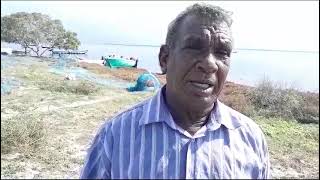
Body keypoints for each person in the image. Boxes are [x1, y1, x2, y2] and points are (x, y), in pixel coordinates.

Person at [81, 3, 270, 179]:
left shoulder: (250, 138)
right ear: (164, 59)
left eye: (222, 53)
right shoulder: (116, 135)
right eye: (194, 48)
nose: (210, 64)